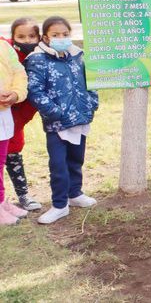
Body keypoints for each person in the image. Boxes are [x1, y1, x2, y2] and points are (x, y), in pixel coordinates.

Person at [26, 16, 99, 224]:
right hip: (57, 123)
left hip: (81, 118)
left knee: (76, 159)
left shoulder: (77, 56)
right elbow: (35, 91)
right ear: (45, 38)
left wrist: (92, 103)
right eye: (55, 35)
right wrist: (55, 112)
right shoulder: (37, 60)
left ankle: (74, 194)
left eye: (65, 34)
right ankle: (59, 205)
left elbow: (90, 82)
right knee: (58, 164)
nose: (61, 38)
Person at [4, 18, 42, 211]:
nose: (26, 40)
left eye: (31, 36)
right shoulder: (6, 51)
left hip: (21, 112)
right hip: (4, 109)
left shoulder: (42, 55)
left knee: (14, 150)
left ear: (39, 37)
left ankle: (23, 195)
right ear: (13, 37)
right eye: (20, 36)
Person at [0, 32, 28, 226]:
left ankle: (1, 201)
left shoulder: (4, 46)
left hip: (4, 113)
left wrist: (16, 93)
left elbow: (19, 72)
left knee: (0, 161)